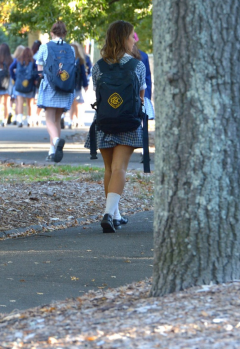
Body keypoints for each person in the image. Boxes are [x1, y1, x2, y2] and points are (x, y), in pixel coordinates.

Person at [84, 20, 147, 233]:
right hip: (128, 123)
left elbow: (98, 95)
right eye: (132, 37)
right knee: (120, 168)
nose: (134, 40)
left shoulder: (98, 67)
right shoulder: (137, 65)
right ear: (123, 39)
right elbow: (141, 97)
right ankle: (109, 214)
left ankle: (116, 215)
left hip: (104, 122)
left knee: (109, 169)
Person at [36, 21, 76, 162]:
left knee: (49, 119)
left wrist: (41, 75)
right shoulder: (71, 49)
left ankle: (57, 140)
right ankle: (52, 151)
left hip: (50, 86)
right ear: (65, 33)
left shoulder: (45, 47)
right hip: (65, 86)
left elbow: (39, 64)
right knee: (57, 119)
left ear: (51, 33)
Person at [10, 47, 37, 128]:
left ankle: (20, 120)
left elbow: (11, 68)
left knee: (20, 103)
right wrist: (35, 79)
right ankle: (29, 121)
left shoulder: (18, 60)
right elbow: (37, 71)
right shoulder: (33, 61)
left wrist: (14, 77)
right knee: (30, 104)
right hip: (29, 85)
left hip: (19, 84)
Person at [68, 42, 90, 129]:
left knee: (72, 103)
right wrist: (85, 85)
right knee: (77, 103)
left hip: (68, 85)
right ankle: (76, 120)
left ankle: (70, 121)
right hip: (77, 85)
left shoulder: (67, 60)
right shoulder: (80, 60)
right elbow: (83, 75)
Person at [0, 43, 14, 127]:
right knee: (6, 102)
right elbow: (12, 71)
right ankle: (4, 121)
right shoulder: (10, 60)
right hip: (7, 83)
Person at [10, 45, 26, 125]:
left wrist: (13, 77)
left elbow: (10, 68)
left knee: (16, 100)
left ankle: (16, 118)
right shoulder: (26, 60)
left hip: (16, 82)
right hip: (25, 82)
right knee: (21, 101)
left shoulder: (15, 60)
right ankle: (19, 118)